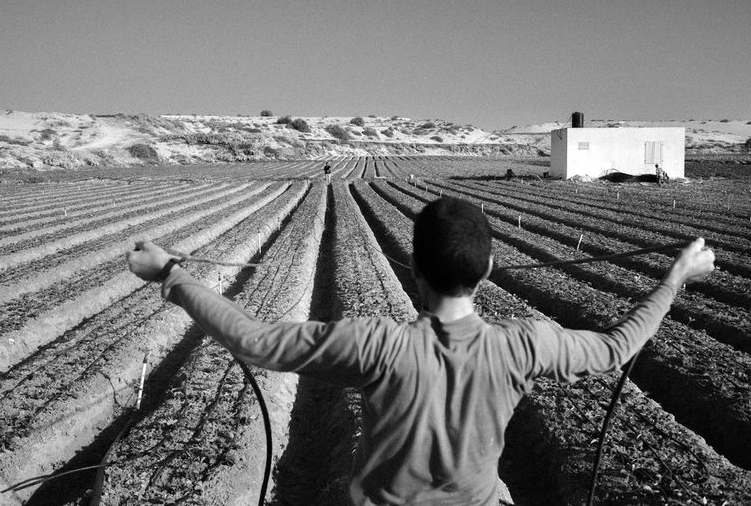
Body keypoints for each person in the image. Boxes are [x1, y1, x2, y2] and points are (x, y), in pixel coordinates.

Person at [126, 197, 714, 505]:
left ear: (413, 269)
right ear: (487, 269)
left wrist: (172, 275)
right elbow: (617, 346)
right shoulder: (523, 344)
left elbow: (256, 341)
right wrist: (675, 278)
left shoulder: (378, 343)